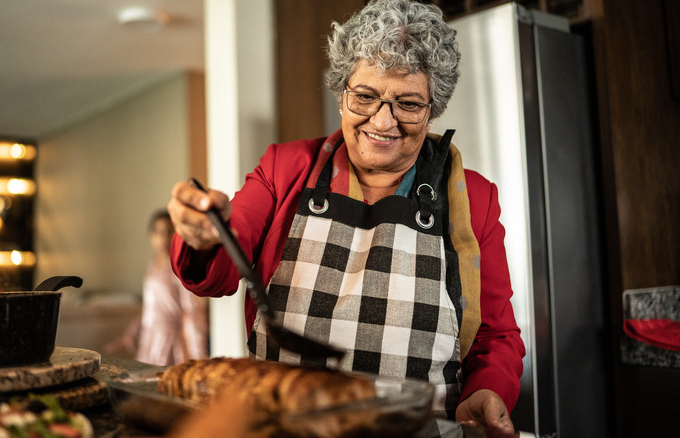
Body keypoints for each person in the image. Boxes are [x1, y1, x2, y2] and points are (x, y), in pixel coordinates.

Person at [167, 0, 524, 434]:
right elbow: (217, 273)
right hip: (281, 426)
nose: (383, 121)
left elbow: (494, 336)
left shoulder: (473, 198)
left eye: (407, 103)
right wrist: (203, 236)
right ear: (341, 94)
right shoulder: (286, 169)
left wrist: (487, 390)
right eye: (366, 97)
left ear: (433, 109)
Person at [105, 210, 208, 366]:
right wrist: (132, 332)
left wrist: (199, 356)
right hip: (150, 340)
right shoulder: (153, 265)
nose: (163, 238)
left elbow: (192, 312)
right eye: (158, 232)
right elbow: (151, 309)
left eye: (168, 231)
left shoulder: (180, 267)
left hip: (172, 344)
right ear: (151, 236)